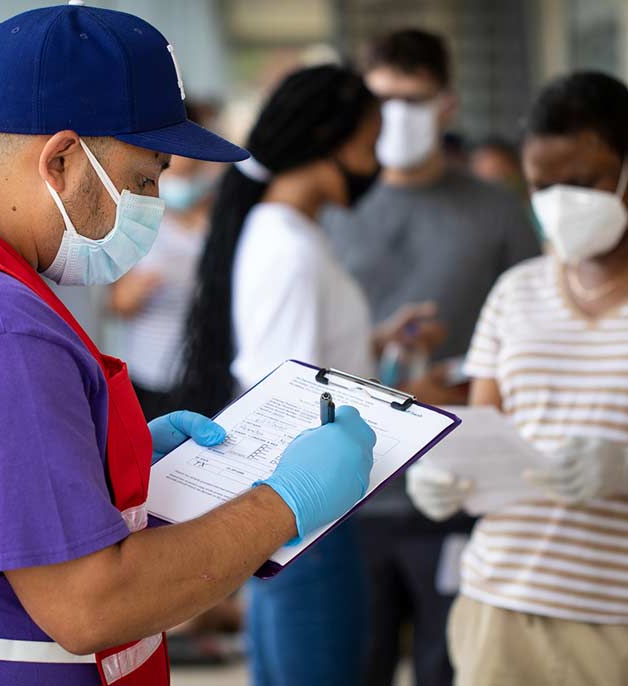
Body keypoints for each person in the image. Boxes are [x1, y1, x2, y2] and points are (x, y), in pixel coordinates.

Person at [0, 6, 378, 686]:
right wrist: (285, 502)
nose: (152, 202)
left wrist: (91, 452)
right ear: (62, 159)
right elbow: (91, 606)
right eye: (145, 177)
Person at [408, 71, 628, 686]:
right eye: (542, 185)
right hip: (503, 609)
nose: (561, 201)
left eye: (582, 181)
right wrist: (448, 479)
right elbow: (483, 434)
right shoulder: (518, 290)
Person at [321, 28, 540, 686]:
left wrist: (469, 388)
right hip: (347, 490)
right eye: (382, 101)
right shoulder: (330, 207)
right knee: (355, 665)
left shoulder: (496, 212)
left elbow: (534, 340)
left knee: (456, 665)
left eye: (413, 101)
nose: (396, 118)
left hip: (459, 487)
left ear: (447, 104)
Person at [177, 64, 382, 686]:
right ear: (328, 139)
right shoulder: (286, 242)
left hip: (314, 509)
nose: (375, 165)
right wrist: (407, 399)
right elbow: (288, 392)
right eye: (369, 145)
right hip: (311, 512)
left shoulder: (292, 234)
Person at [110, 102, 221, 420]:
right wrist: (136, 292)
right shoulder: (139, 218)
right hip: (153, 376)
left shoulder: (218, 212)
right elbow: (118, 301)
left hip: (205, 373)